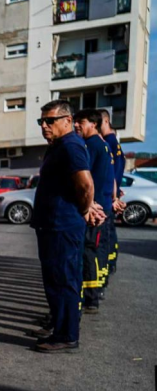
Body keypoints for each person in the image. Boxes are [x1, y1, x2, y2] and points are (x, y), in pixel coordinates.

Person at [31, 100, 104, 352]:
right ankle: (58, 326)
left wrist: (85, 208)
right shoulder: (57, 146)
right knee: (54, 279)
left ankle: (66, 335)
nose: (44, 125)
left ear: (67, 121)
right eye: (41, 121)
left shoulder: (71, 145)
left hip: (62, 225)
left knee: (64, 279)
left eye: (49, 121)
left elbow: (85, 184)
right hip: (51, 224)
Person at [75, 109, 115, 313]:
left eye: (80, 122)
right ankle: (92, 295)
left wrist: (89, 206)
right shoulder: (104, 146)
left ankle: (89, 298)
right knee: (93, 251)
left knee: (87, 252)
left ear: (93, 123)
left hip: (94, 211)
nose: (76, 125)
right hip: (102, 208)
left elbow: (84, 180)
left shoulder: (91, 145)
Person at [100, 109, 125, 280]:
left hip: (108, 198)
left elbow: (110, 173)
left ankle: (106, 270)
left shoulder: (108, 142)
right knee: (109, 235)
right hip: (112, 196)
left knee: (104, 237)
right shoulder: (114, 142)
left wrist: (113, 197)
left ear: (106, 122)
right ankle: (109, 264)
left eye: (97, 123)